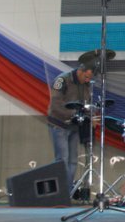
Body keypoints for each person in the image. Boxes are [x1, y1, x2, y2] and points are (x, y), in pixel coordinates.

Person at [47, 60, 95, 191]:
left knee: (73, 161)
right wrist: (74, 114)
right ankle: (59, 192)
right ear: (80, 71)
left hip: (74, 126)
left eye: (89, 78)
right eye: (86, 77)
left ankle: (67, 192)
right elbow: (56, 105)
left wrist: (89, 115)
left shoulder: (86, 84)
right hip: (59, 124)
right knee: (62, 159)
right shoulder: (62, 80)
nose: (87, 80)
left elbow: (87, 103)